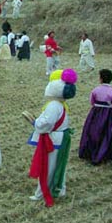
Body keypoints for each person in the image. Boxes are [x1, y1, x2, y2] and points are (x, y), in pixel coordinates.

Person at [28, 69, 77, 206]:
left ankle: (42, 192)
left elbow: (47, 123)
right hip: (60, 137)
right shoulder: (61, 105)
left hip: (54, 139)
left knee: (48, 166)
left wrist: (35, 122)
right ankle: (58, 188)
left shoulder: (53, 106)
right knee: (58, 165)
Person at [78, 69, 112, 165]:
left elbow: (91, 101)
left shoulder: (96, 89)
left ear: (100, 79)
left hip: (95, 113)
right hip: (108, 116)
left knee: (92, 131)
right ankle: (106, 153)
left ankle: (90, 151)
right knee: (107, 133)